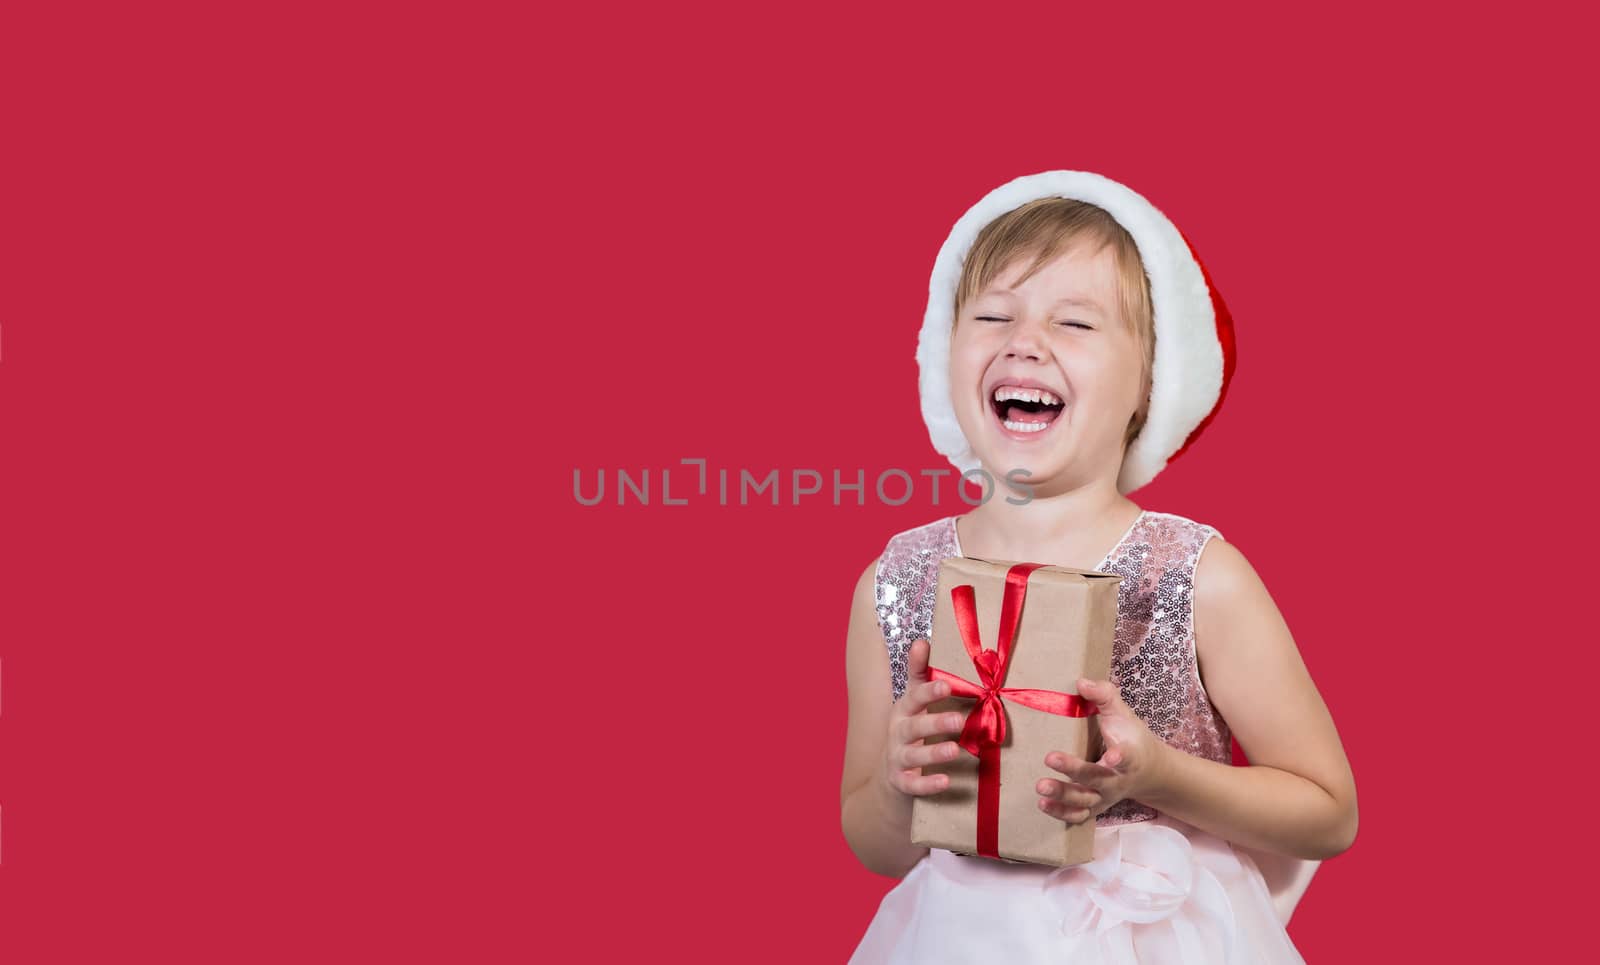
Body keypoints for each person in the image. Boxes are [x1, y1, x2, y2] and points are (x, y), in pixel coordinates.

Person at [839, 171, 1357, 963]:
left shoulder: (1195, 576)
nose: (1025, 339)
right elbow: (876, 845)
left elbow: (1329, 812)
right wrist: (898, 786)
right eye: (991, 314)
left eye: (1075, 321)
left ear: (1151, 384)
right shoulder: (894, 581)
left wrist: (1156, 774)